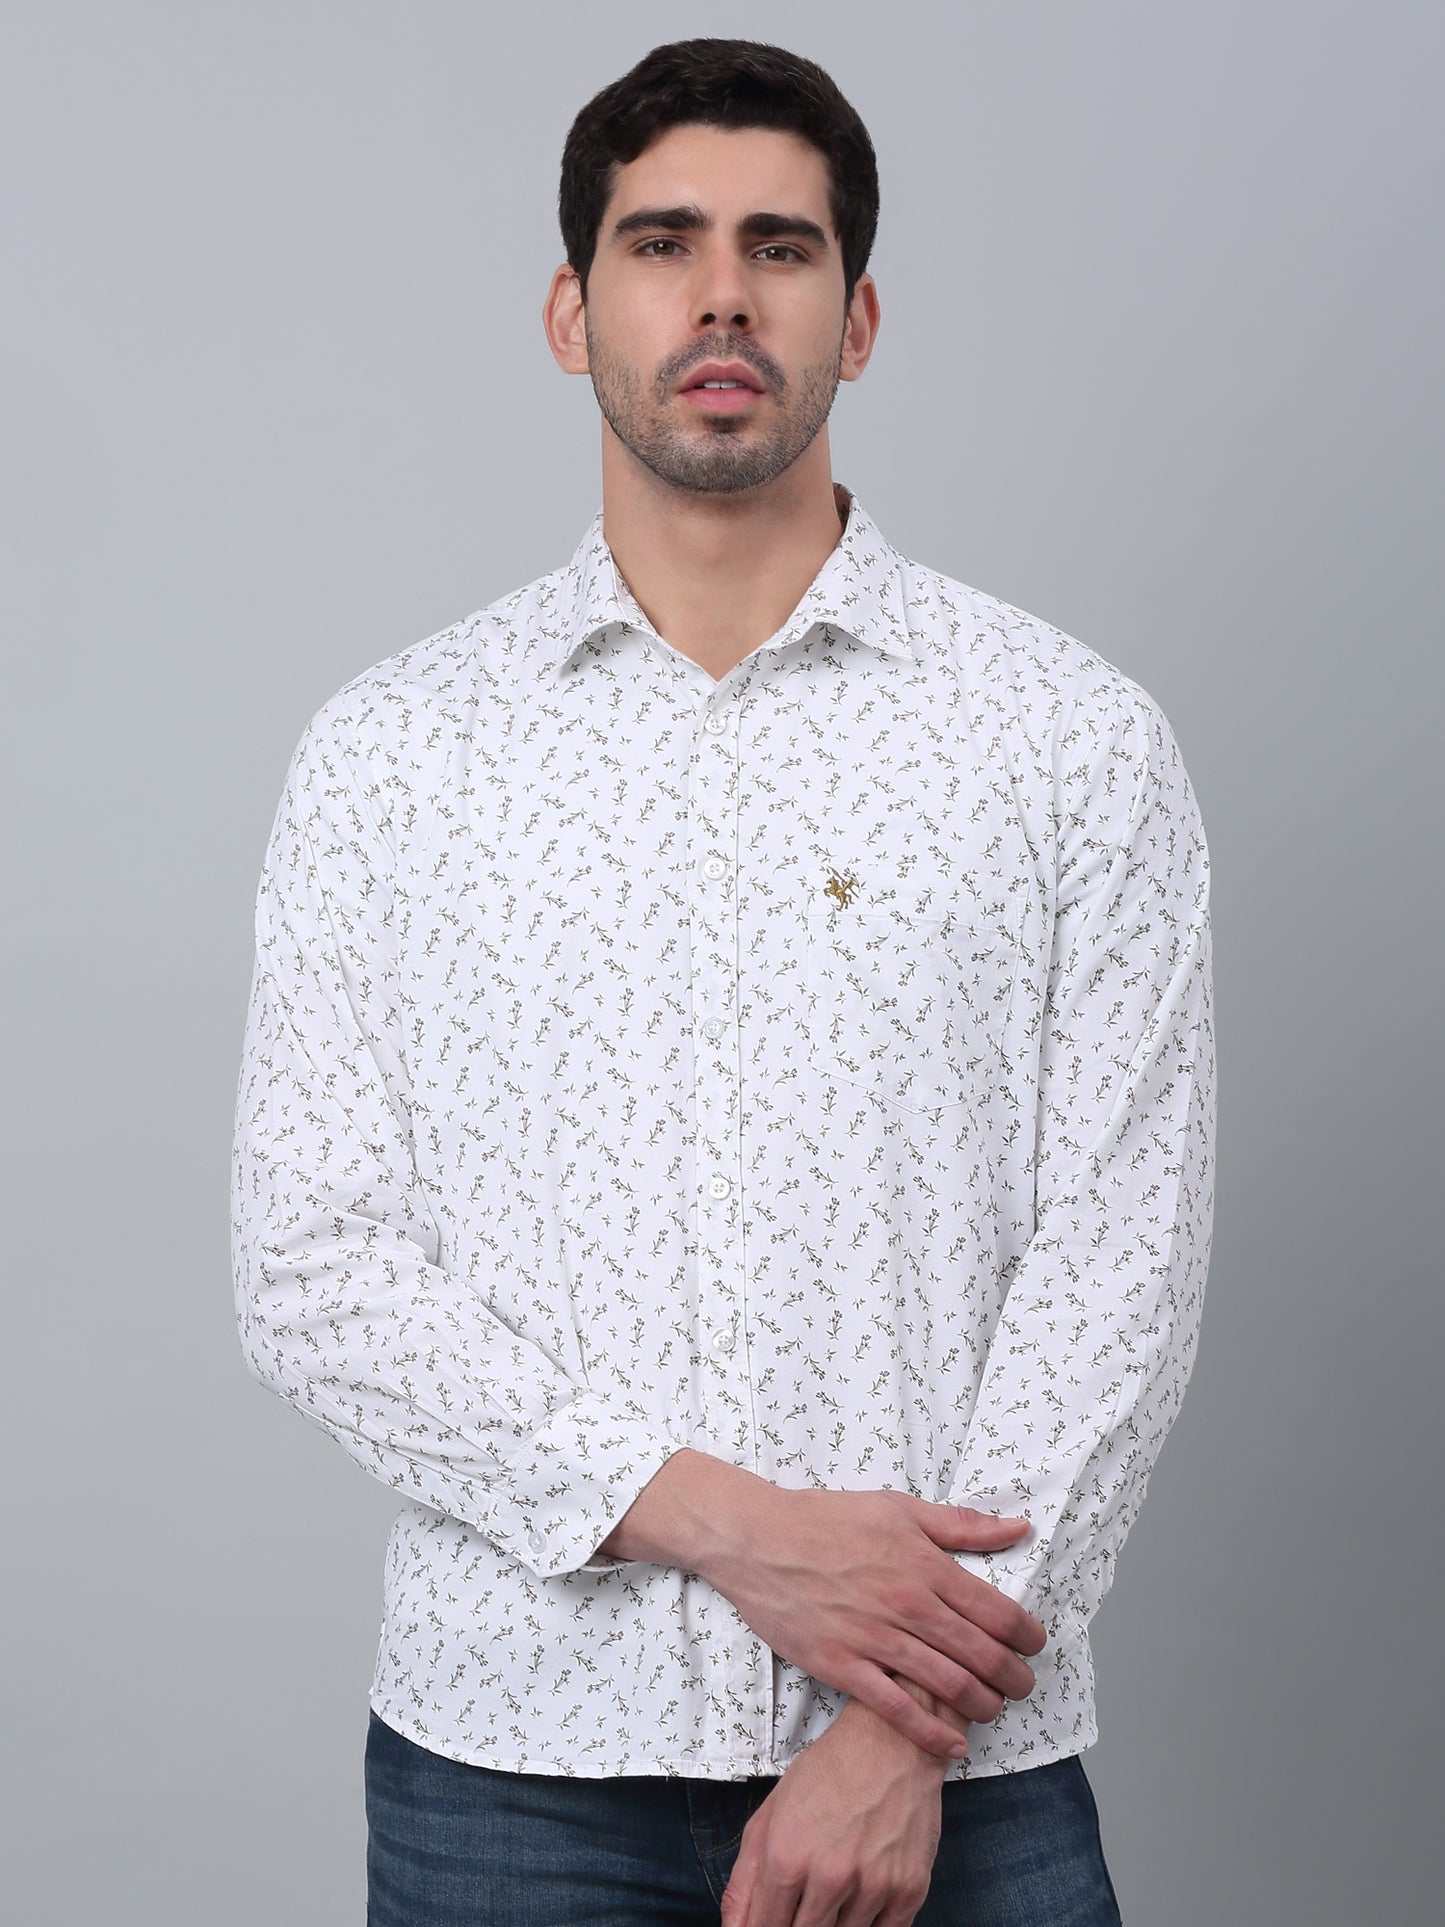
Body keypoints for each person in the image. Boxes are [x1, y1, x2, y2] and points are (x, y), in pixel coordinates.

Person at [231, 35, 1214, 1927]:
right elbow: (312, 1266)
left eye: (779, 247)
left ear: (858, 317)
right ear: (569, 310)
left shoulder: (1065, 740)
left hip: (953, 1773)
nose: (720, 296)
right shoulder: (392, 757)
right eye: (660, 241)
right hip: (508, 1762)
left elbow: (1120, 1264)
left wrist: (904, 1726)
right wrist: (747, 1538)